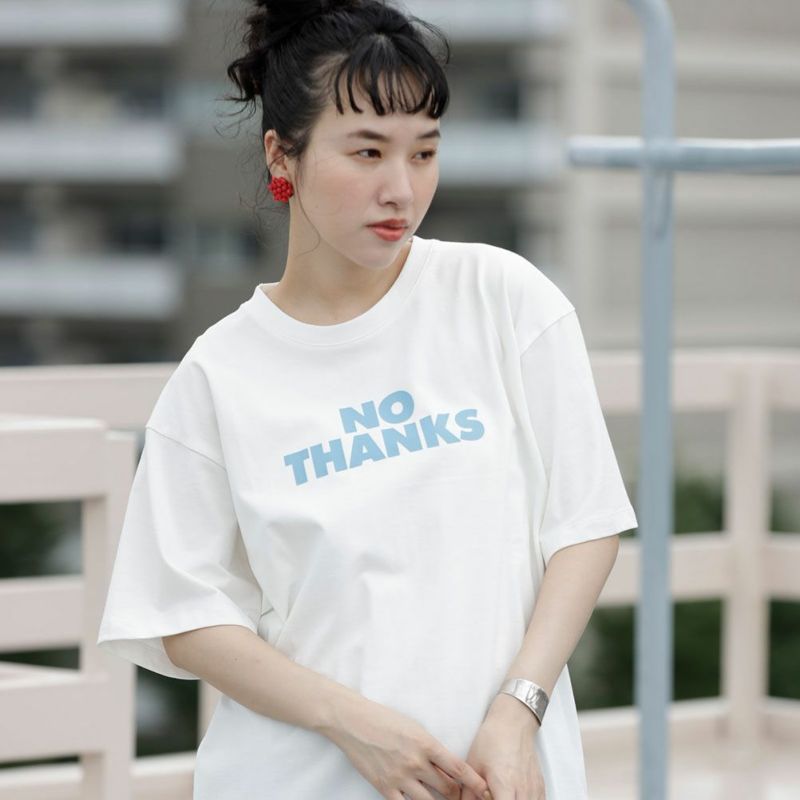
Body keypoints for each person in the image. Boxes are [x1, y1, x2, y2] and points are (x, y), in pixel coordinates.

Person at [96, 1, 638, 798]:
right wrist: (352, 723)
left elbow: (585, 527)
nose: (401, 189)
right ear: (282, 154)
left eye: (425, 152)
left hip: (499, 774)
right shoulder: (221, 371)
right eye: (368, 152)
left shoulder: (502, 299)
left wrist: (519, 708)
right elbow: (183, 615)